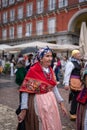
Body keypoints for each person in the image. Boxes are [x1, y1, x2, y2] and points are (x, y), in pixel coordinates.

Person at [17, 47, 67, 130]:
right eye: (47, 56)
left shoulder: (50, 70)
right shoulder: (33, 70)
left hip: (51, 102)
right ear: (40, 58)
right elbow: (25, 90)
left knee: (52, 123)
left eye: (51, 56)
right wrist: (24, 109)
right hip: (39, 101)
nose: (50, 58)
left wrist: (61, 104)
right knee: (42, 124)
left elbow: (54, 87)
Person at [63, 49, 82, 120]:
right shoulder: (70, 63)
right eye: (78, 54)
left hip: (78, 82)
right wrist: (66, 83)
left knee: (77, 97)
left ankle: (75, 111)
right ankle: (72, 113)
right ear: (74, 55)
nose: (79, 55)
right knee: (75, 97)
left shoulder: (78, 62)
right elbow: (67, 74)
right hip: (74, 81)